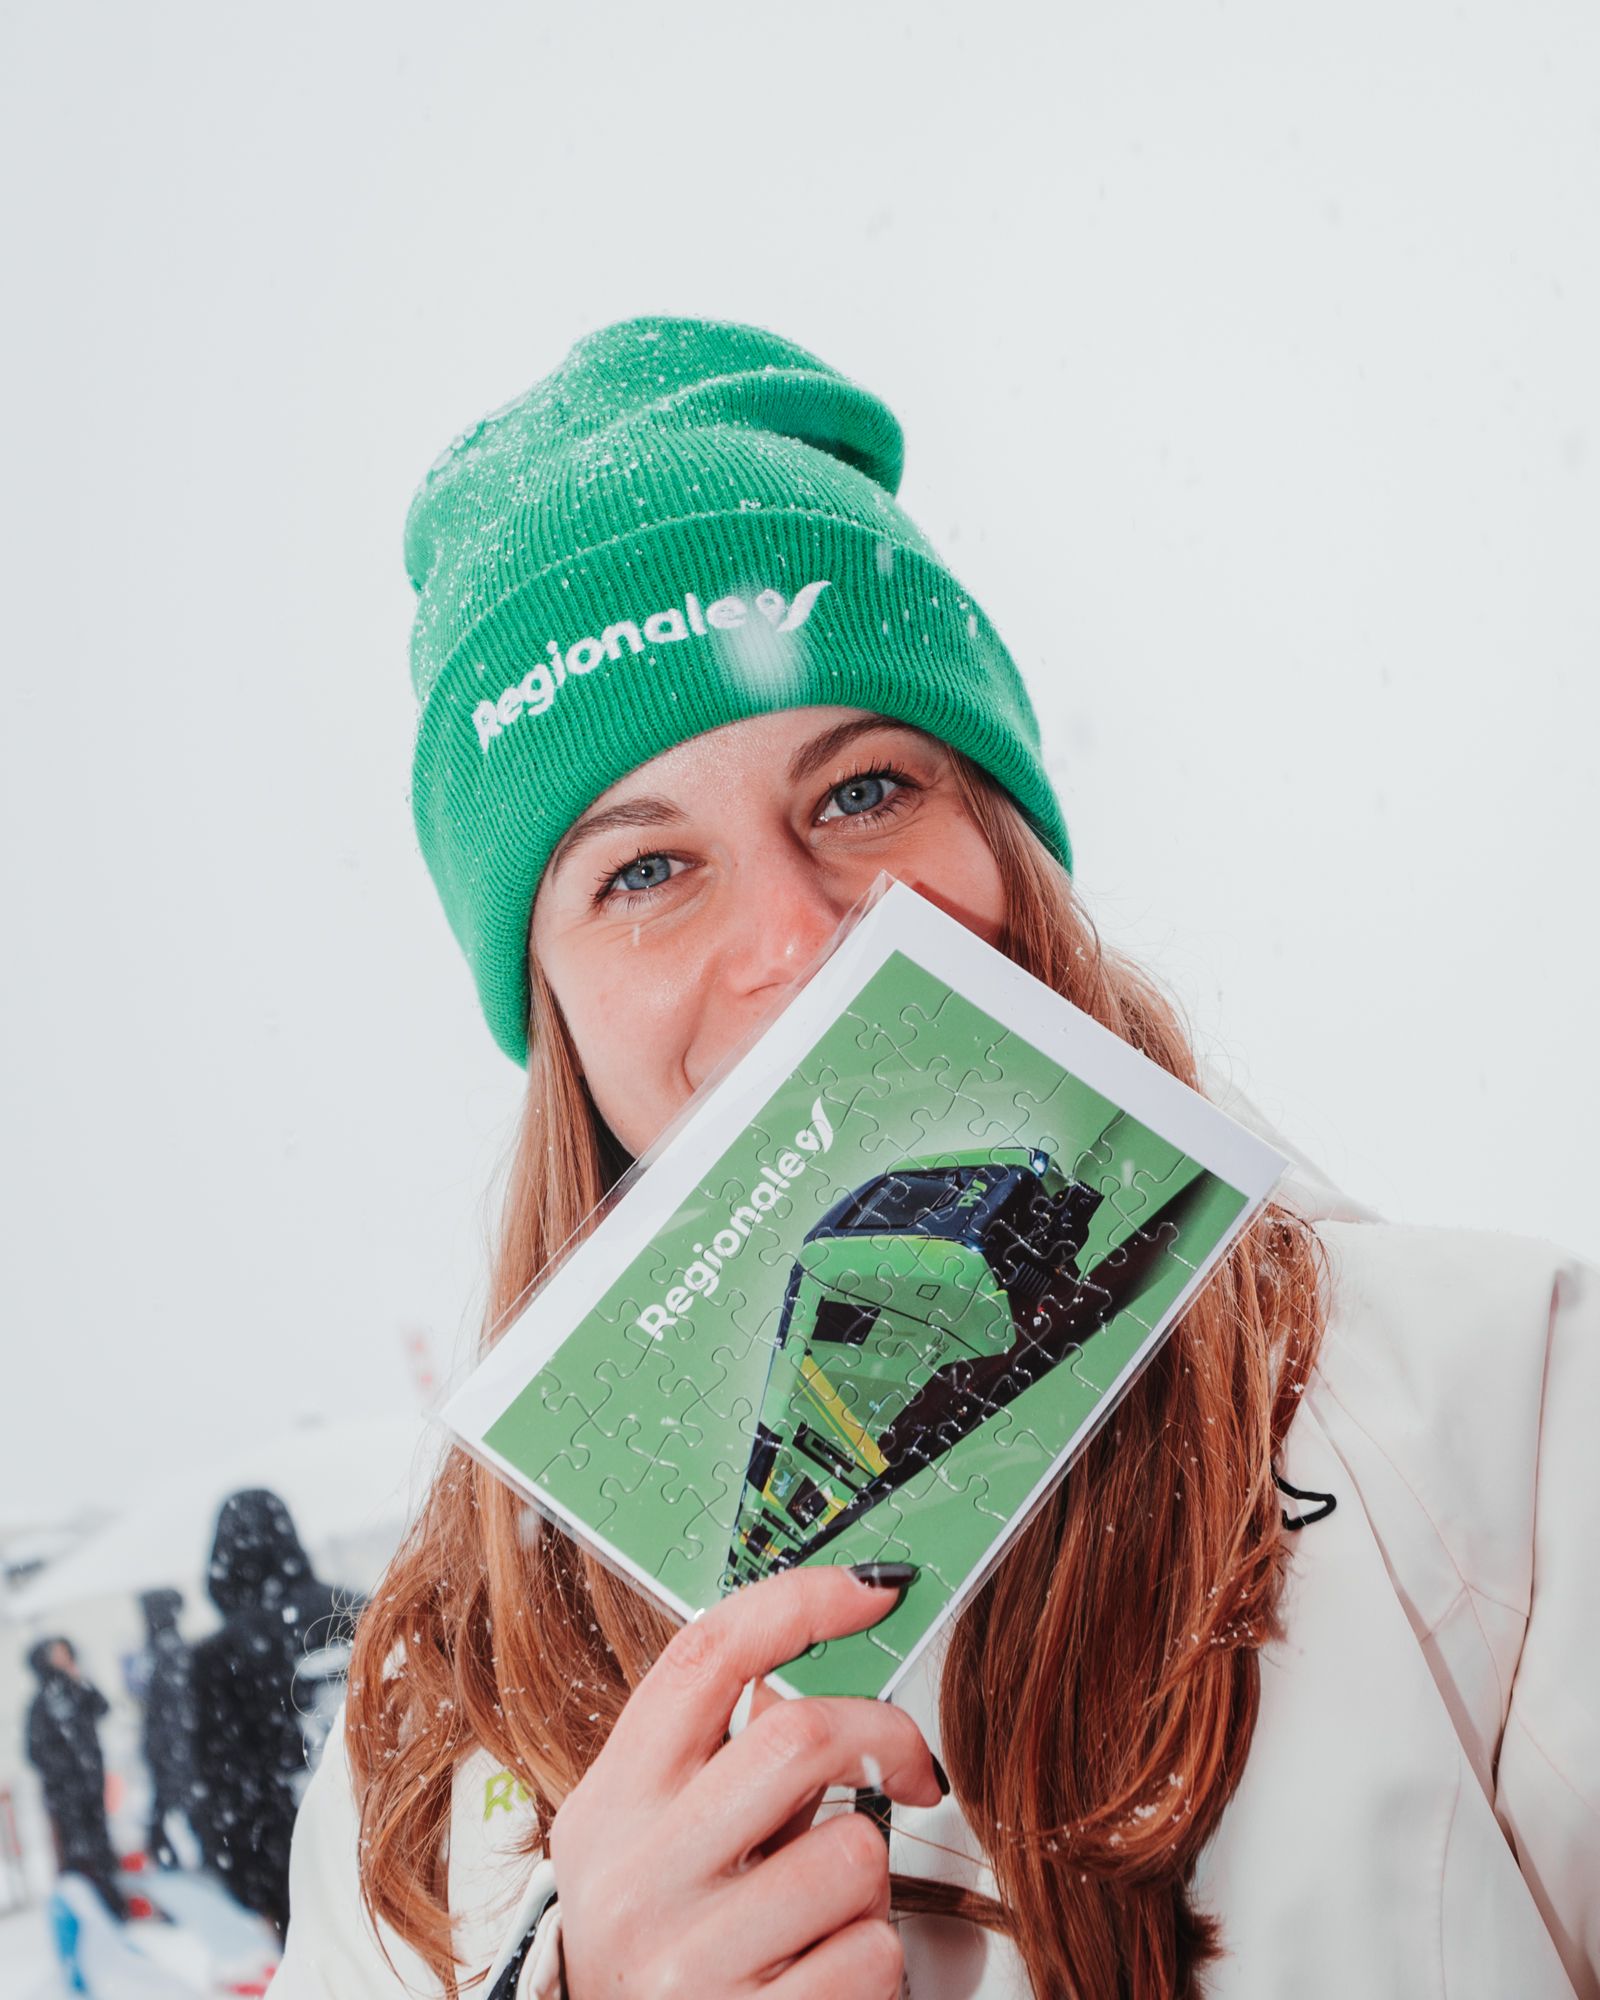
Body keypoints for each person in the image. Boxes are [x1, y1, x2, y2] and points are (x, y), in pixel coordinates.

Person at [276, 319, 1599, 1998]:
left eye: (861, 792)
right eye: (643, 872)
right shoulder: (435, 1740)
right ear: (558, 1016)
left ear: (1003, 841)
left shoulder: (1505, 1413)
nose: (796, 938)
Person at [189, 1489, 351, 1937]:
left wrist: (250, 1884)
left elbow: (223, 1783)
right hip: (397, 1843)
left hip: (297, 1861)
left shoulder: (219, 1657)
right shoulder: (357, 1610)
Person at [23, 1635, 128, 1920]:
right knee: (78, 1852)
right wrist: (67, 1772)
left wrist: (81, 1679)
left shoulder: (77, 1689)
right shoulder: (42, 1702)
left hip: (91, 1787)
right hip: (66, 1794)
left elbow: (102, 1707)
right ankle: (89, 1909)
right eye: (56, 1655)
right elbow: (34, 1751)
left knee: (100, 1846)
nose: (63, 1659)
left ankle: (110, 1904)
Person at [135, 1587, 194, 1868]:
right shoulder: (165, 1650)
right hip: (172, 1748)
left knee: (173, 1811)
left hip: (172, 1749)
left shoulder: (163, 1652)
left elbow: (170, 1709)